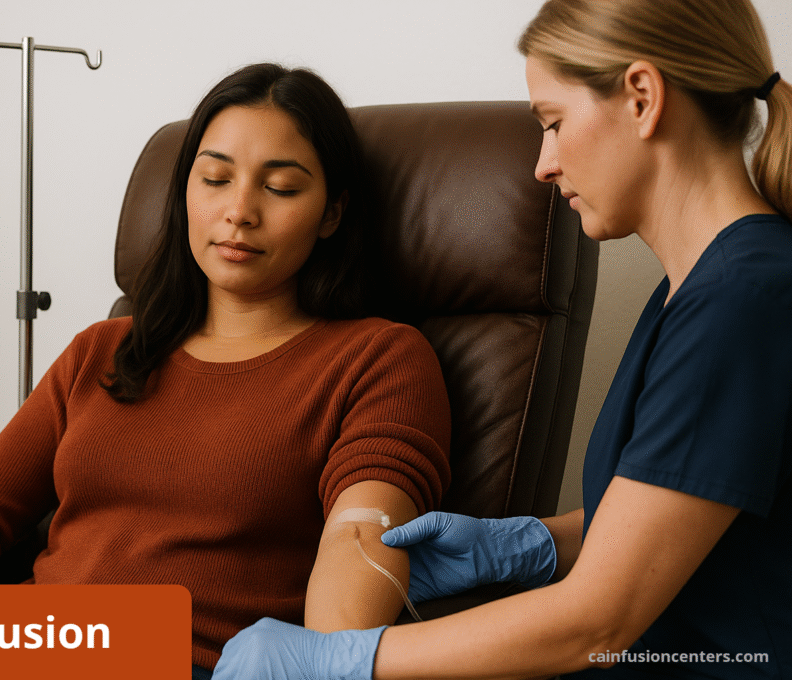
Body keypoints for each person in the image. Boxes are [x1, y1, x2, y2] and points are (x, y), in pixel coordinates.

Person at [211, 1, 792, 678]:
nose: (544, 164)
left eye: (553, 123)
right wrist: (532, 542)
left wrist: (342, 659)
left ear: (641, 97)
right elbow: (677, 520)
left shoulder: (743, 302)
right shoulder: (695, 294)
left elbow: (597, 622)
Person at [0, 63, 452, 678]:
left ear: (333, 213)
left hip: (180, 657)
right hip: (26, 642)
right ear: (184, 193)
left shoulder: (377, 359)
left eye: (280, 187)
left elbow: (362, 550)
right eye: (214, 179)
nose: (239, 210)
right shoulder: (103, 350)